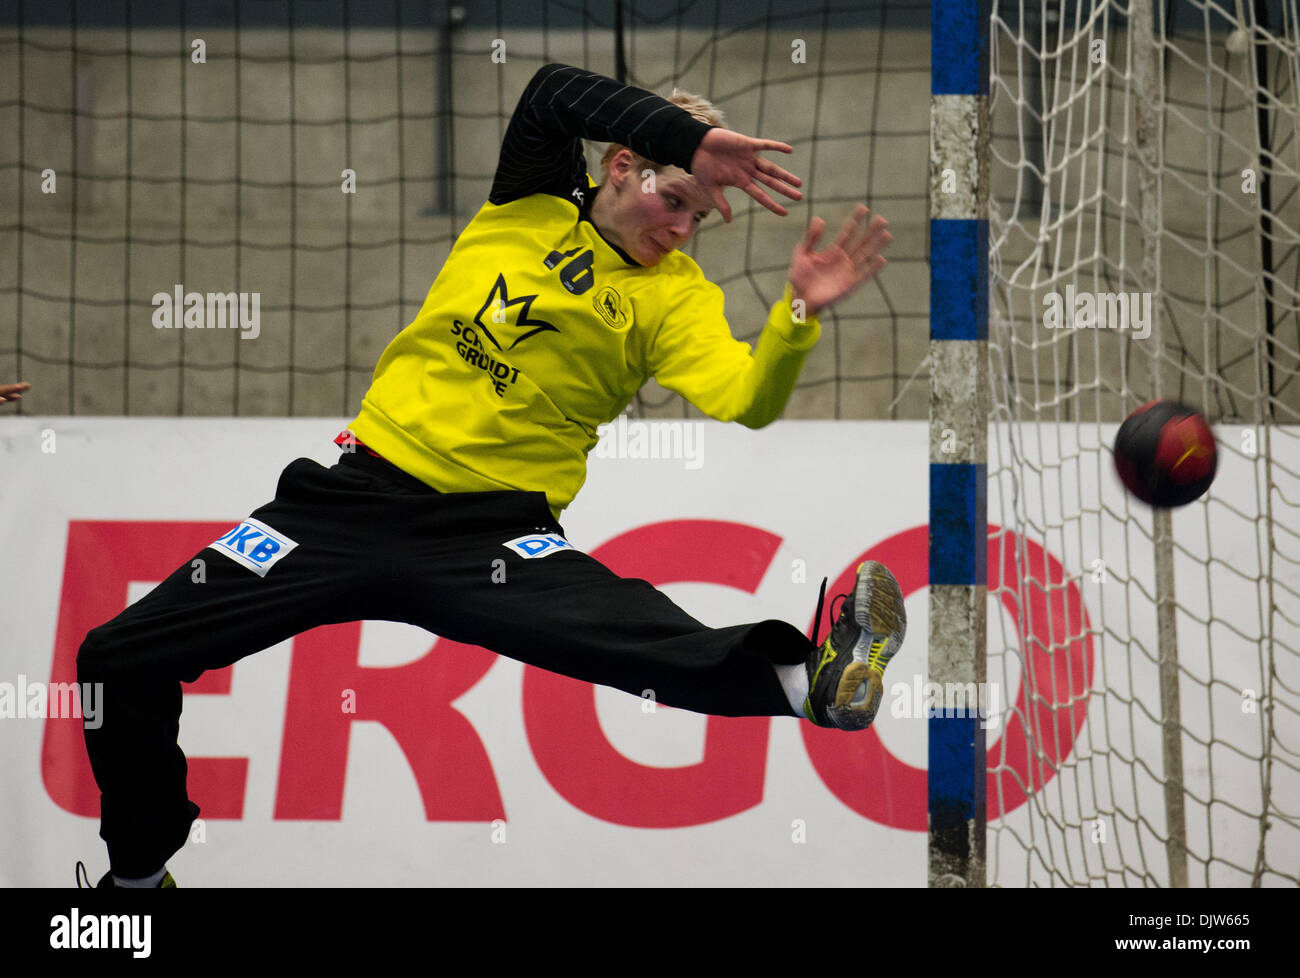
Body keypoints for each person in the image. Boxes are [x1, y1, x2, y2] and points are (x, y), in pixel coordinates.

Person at [75, 62, 903, 888]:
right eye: (673, 197)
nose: (683, 227)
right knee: (117, 657)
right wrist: (694, 140)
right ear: (621, 164)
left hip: (491, 538)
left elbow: (745, 400)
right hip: (347, 503)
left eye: (696, 214)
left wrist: (795, 316)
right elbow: (549, 91)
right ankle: (140, 884)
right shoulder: (531, 198)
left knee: (630, 633)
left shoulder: (674, 299)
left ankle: (809, 683)